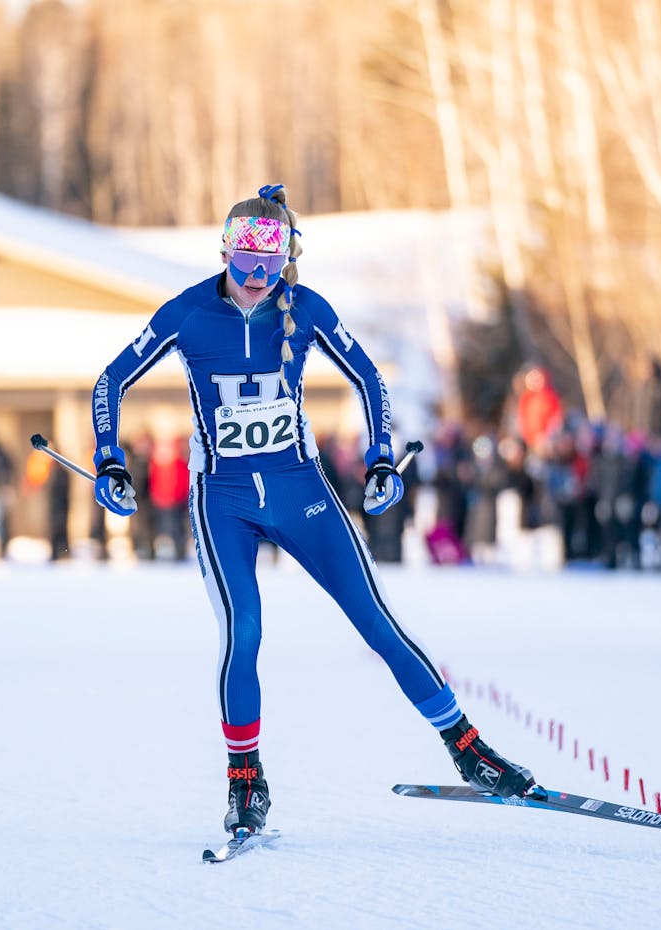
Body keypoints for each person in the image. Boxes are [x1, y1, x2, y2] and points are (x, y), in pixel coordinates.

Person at [88, 185, 536, 838]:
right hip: (225, 500)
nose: (252, 281)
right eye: (242, 264)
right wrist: (108, 461)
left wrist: (381, 459)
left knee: (378, 623)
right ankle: (246, 778)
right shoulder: (188, 313)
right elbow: (110, 381)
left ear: (286, 264)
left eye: (267, 270)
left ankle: (468, 748)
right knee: (243, 632)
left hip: (303, 492)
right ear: (224, 252)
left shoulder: (304, 308)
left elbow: (369, 378)